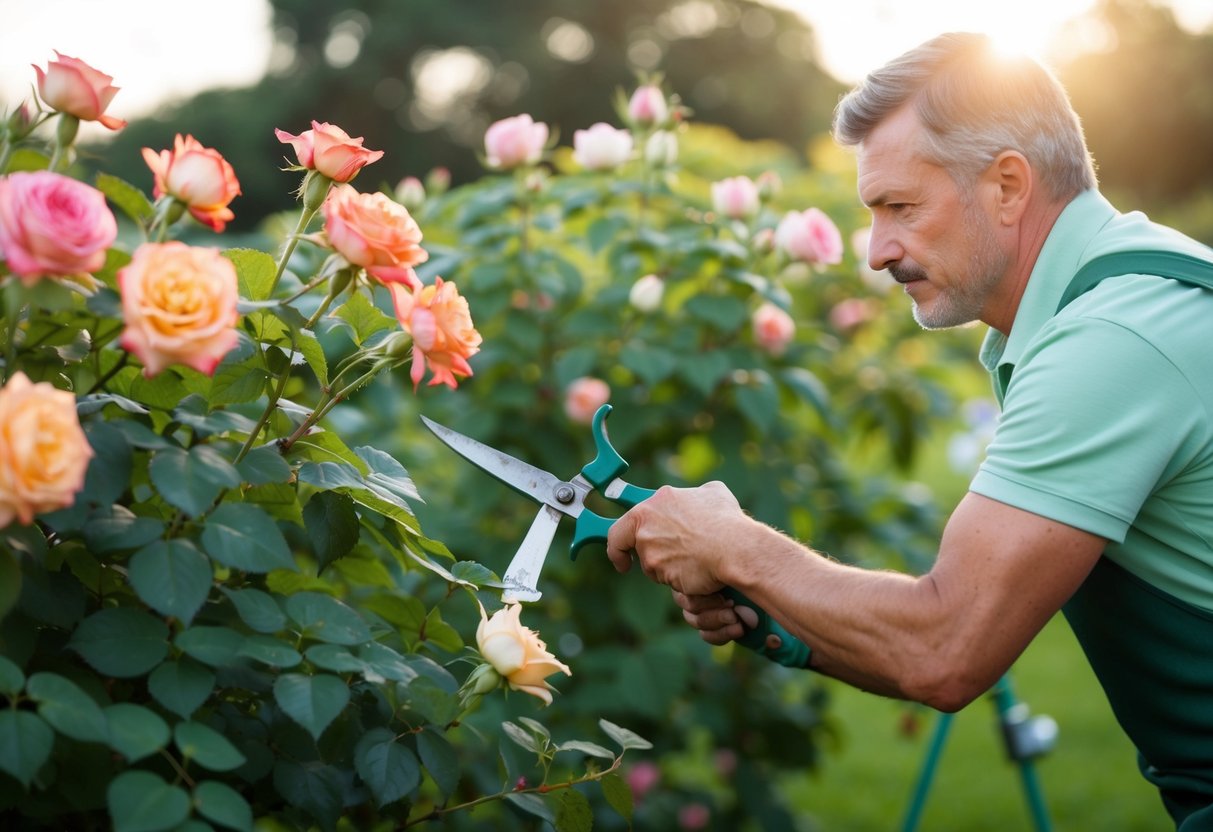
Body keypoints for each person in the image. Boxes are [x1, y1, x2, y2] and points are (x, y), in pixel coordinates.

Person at [604, 31, 1213, 829]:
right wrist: (771, 609)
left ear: (1005, 186)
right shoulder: (1123, 290)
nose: (875, 251)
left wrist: (736, 546)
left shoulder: (1111, 341)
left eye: (900, 207)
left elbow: (945, 648)